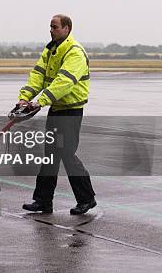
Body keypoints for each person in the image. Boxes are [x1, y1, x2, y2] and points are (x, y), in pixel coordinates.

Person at [18, 14, 96, 215]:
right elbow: (37, 75)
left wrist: (40, 102)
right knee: (50, 156)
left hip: (70, 111)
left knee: (67, 155)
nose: (51, 30)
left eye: (54, 27)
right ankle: (43, 201)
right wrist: (24, 97)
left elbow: (64, 82)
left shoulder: (75, 52)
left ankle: (87, 199)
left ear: (67, 28)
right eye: (50, 27)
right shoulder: (51, 49)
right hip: (56, 109)